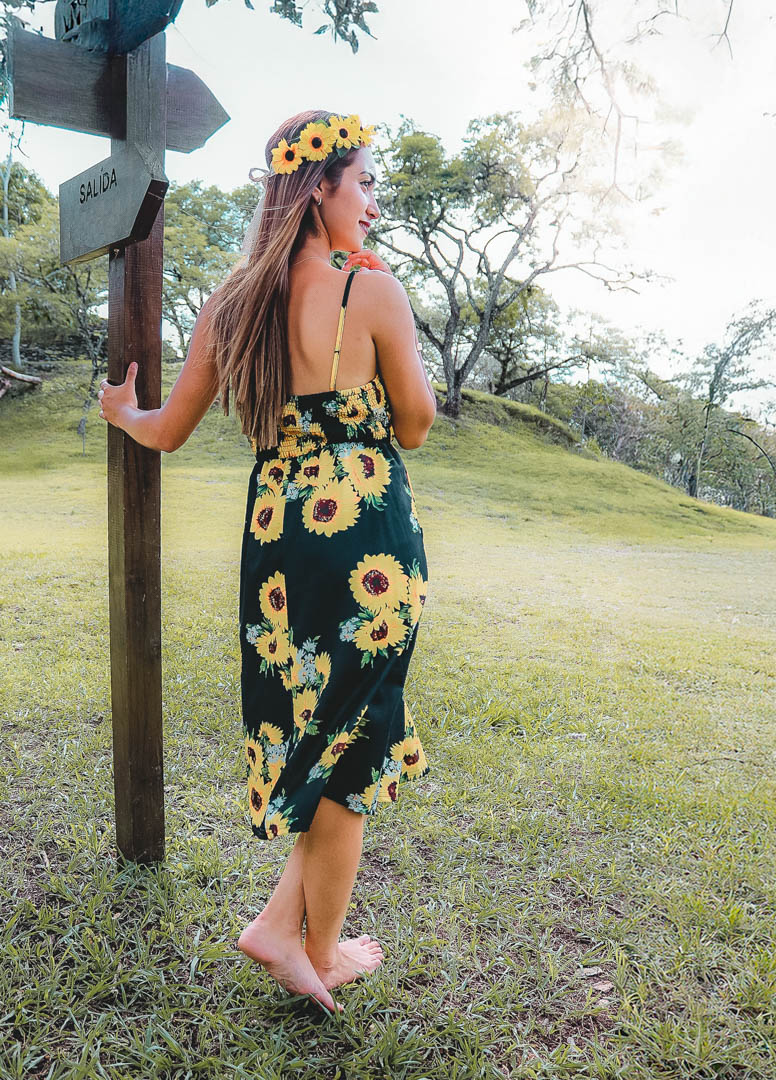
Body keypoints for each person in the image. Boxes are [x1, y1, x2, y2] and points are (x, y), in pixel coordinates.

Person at [96, 109, 438, 1015]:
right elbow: (414, 424)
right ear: (320, 187)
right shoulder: (371, 288)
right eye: (364, 183)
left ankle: (290, 931)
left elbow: (166, 429)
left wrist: (121, 412)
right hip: (364, 535)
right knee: (353, 737)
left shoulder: (234, 301)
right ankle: (311, 947)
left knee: (327, 725)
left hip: (279, 536)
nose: (372, 203)